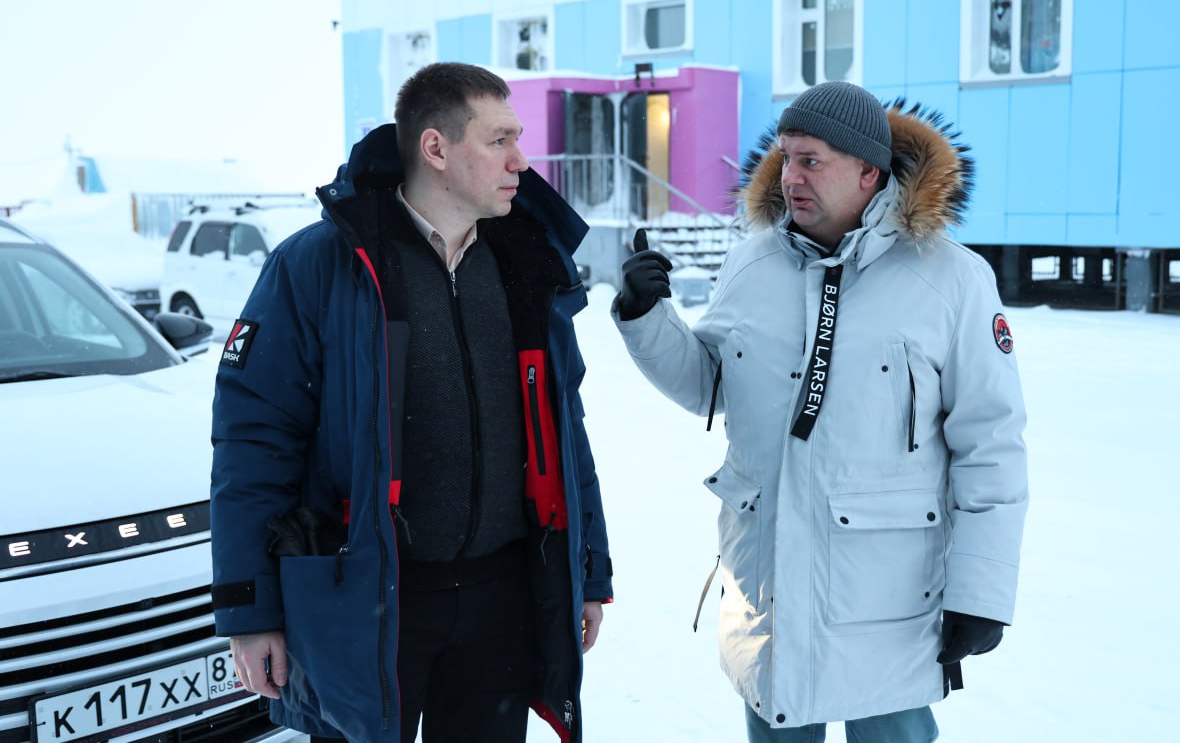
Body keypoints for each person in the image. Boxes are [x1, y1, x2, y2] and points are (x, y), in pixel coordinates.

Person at [209, 62, 613, 743]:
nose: (520, 160)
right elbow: (255, 441)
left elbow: (564, 430)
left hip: (500, 602)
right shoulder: (323, 266)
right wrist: (250, 611)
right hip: (369, 600)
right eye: (500, 140)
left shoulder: (524, 264)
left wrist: (588, 569)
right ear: (436, 148)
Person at [613, 82, 1028, 742]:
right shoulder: (750, 263)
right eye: (786, 157)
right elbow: (710, 385)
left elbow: (991, 447)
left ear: (868, 171)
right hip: (769, 583)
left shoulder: (952, 280)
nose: (790, 177)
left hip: (887, 599)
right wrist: (645, 316)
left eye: (811, 160)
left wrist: (980, 592)